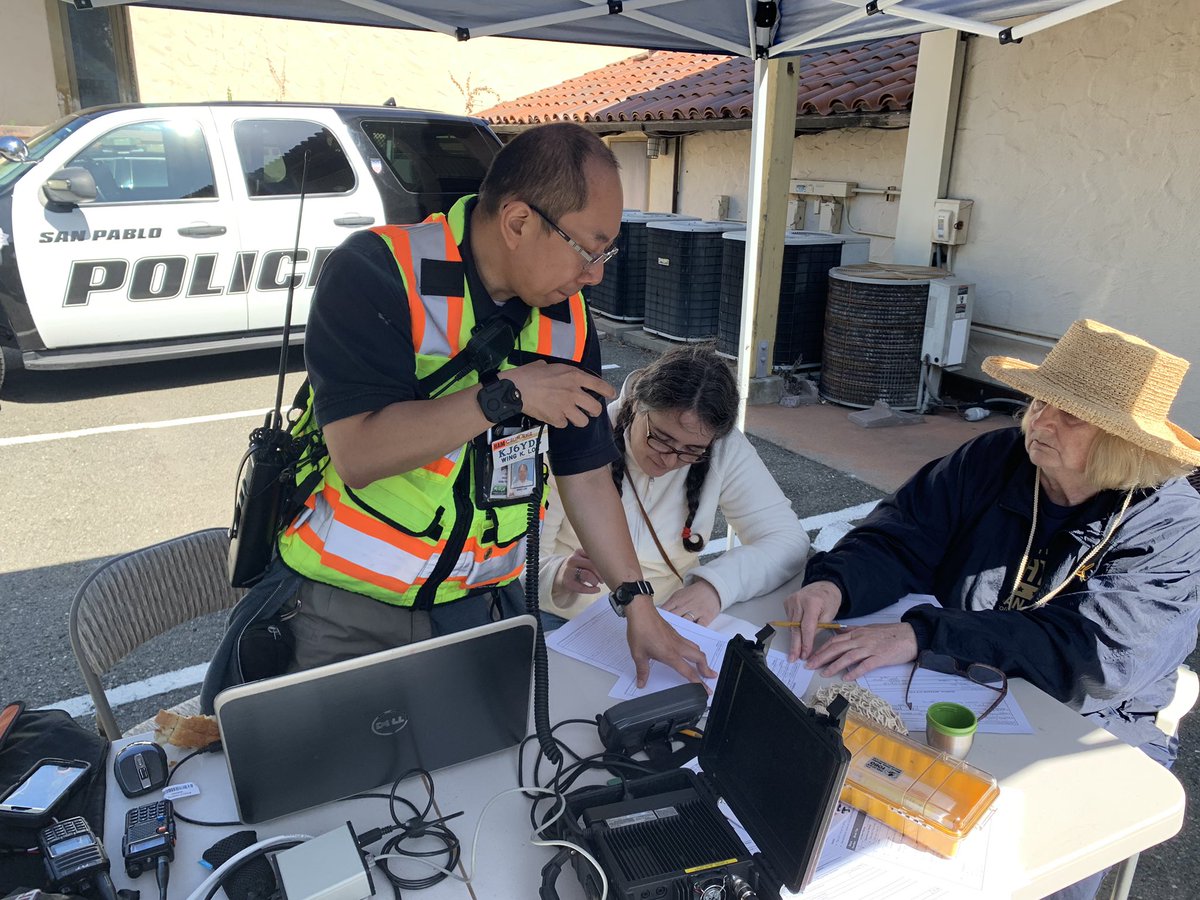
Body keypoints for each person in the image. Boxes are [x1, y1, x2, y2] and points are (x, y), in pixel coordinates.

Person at [201, 123, 713, 711]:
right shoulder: (377, 272)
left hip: (480, 610)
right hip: (346, 611)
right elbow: (360, 453)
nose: (595, 274)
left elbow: (587, 472)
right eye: (588, 250)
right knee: (332, 786)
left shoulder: (568, 321)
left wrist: (639, 608)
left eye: (607, 253)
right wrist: (506, 396)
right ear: (519, 222)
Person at [784, 319, 1200, 900]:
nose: (1039, 421)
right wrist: (837, 584)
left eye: (1070, 415)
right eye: (1039, 402)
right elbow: (902, 534)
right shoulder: (997, 458)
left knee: (1034, 868)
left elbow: (1101, 657)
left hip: (1092, 723)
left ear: (1123, 442)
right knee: (851, 799)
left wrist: (923, 633)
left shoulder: (1172, 524)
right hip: (954, 687)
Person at [539, 344, 810, 627]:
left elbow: (788, 539)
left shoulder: (724, 448)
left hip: (668, 616)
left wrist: (714, 587)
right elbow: (520, 563)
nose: (669, 460)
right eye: (662, 439)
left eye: (691, 450)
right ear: (637, 404)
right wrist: (558, 574)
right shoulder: (578, 440)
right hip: (570, 618)